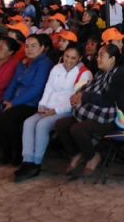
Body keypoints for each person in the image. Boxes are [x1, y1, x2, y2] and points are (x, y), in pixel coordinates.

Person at [58, 44, 124, 179]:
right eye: (97, 55)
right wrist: (78, 96)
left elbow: (108, 100)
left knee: (77, 129)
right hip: (93, 113)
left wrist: (84, 96)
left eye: (101, 56)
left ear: (112, 59)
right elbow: (89, 90)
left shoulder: (121, 75)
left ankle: (92, 157)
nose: (97, 59)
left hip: (112, 118)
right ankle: (77, 153)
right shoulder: (101, 73)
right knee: (61, 125)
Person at [14, 45, 86, 182]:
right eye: (66, 56)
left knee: (42, 125)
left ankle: (37, 163)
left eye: (73, 58)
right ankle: (27, 161)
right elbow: (49, 88)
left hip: (66, 111)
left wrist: (55, 111)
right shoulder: (56, 68)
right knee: (28, 123)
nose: (68, 60)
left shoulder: (83, 74)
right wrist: (42, 105)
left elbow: (76, 100)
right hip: (48, 107)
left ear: (79, 59)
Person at [0, 34, 53, 165]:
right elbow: (13, 83)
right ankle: (7, 151)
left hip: (32, 104)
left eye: (34, 46)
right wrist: (5, 99)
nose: (29, 49)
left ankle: (17, 153)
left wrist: (13, 103)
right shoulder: (23, 63)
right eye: (27, 46)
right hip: (15, 101)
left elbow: (36, 89)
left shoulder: (45, 64)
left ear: (42, 48)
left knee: (7, 118)